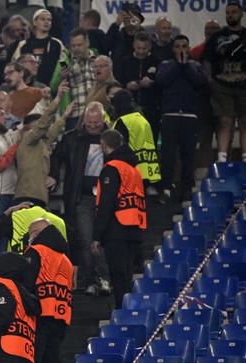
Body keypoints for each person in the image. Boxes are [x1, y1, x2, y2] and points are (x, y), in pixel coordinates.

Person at [51, 102, 111, 296]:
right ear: (83, 120)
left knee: (101, 239)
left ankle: (103, 278)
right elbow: (55, 156)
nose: (93, 126)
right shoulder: (72, 138)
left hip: (106, 198)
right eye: (89, 122)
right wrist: (52, 174)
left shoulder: (111, 138)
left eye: (97, 122)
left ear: (104, 120)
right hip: (81, 197)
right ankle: (91, 279)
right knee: (85, 239)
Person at [93, 130, 146, 308]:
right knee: (126, 275)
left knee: (118, 276)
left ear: (105, 147)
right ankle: (128, 312)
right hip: (135, 227)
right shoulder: (134, 169)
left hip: (117, 229)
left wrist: (97, 236)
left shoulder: (112, 168)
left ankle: (122, 313)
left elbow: (106, 203)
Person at [24, 220, 72, 363]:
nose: (29, 237)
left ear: (36, 232)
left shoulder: (36, 252)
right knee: (53, 362)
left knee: (35, 361)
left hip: (40, 314)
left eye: (30, 233)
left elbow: (27, 284)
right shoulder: (65, 258)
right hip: (60, 315)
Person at [157, 35, 208, 201]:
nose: (181, 49)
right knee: (168, 155)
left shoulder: (195, 66)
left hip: (189, 116)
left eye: (184, 46)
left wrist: (185, 65)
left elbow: (200, 82)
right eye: (177, 46)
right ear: (173, 49)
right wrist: (178, 65)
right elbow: (163, 81)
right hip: (170, 116)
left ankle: (187, 188)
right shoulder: (166, 65)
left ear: (188, 47)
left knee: (188, 155)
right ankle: (166, 187)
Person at [203, 1, 246, 163]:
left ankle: (245, 159)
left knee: (244, 121)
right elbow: (206, 60)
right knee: (224, 121)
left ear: (241, 14)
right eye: (228, 12)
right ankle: (222, 160)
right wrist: (209, 80)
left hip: (244, 86)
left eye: (234, 12)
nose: (230, 15)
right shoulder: (217, 36)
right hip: (221, 86)